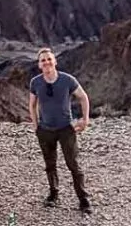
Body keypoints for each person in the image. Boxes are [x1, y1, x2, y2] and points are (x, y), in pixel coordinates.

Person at [28, 46, 92, 214]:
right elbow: (32, 104)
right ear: (39, 64)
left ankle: (83, 198)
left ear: (55, 61)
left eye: (49, 59)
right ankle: (53, 194)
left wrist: (85, 119)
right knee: (50, 164)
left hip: (66, 129)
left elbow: (83, 97)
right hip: (45, 130)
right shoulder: (35, 82)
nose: (46, 62)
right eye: (43, 60)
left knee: (73, 164)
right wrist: (36, 125)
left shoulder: (67, 80)